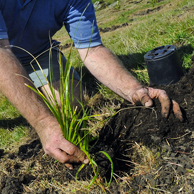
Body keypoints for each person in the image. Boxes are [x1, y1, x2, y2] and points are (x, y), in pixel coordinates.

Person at [0, 0, 183, 169]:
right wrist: (43, 123)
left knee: (68, 106)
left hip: (37, 54)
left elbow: (92, 49)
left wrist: (134, 89)